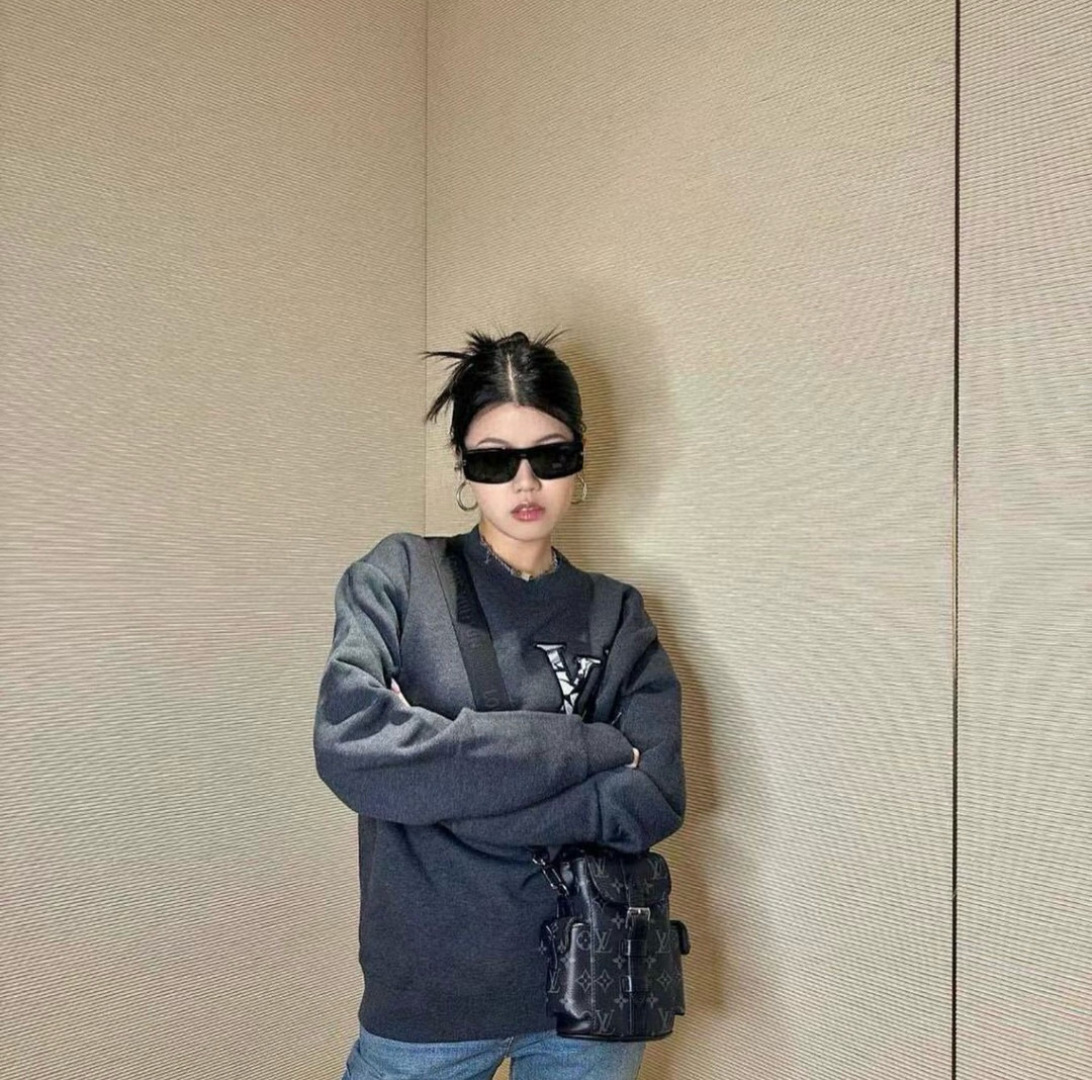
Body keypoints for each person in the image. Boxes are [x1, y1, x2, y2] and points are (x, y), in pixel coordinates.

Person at [313, 329, 686, 1080]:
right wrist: (588, 747)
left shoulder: (617, 613)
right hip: (428, 999)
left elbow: (656, 796)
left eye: (550, 455)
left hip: (593, 994)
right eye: (494, 459)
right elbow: (353, 749)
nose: (524, 482)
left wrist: (443, 789)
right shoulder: (399, 578)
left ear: (579, 460)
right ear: (464, 466)